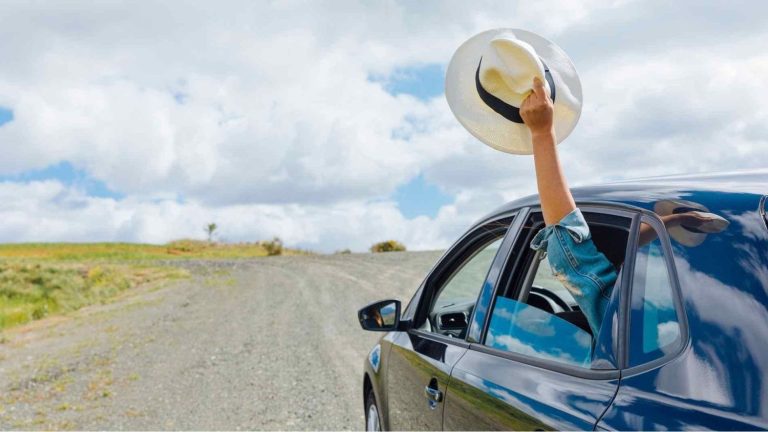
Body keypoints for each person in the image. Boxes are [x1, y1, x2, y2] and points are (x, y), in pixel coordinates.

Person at [519, 77, 712, 336]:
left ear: (617, 268)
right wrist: (672, 220)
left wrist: (542, 134)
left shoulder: (628, 326)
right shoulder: (708, 316)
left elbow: (569, 250)